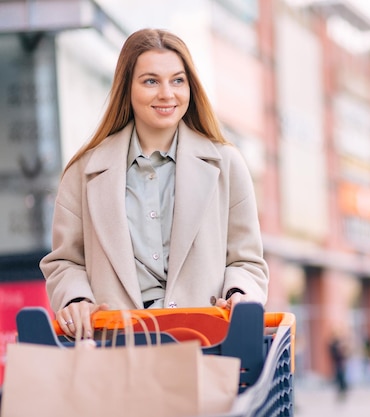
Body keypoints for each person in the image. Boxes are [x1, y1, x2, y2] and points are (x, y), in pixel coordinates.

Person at [40, 28, 269, 339]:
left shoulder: (227, 163)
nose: (167, 94)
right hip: (116, 348)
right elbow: (65, 261)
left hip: (205, 345)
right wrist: (76, 299)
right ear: (127, 88)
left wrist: (241, 294)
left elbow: (246, 260)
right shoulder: (84, 171)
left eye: (177, 80)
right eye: (151, 81)